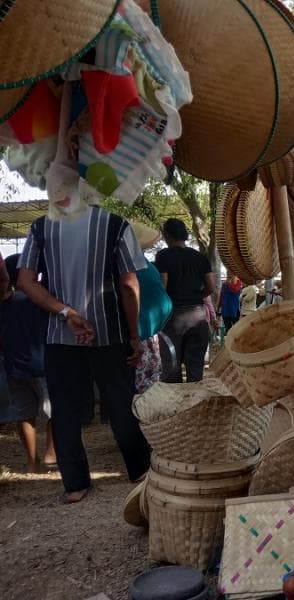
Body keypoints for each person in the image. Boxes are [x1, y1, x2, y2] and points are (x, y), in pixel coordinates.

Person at [17, 205, 151, 503]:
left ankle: (75, 485)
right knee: (120, 403)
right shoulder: (115, 225)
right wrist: (134, 336)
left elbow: (25, 281)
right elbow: (129, 285)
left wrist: (65, 312)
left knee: (65, 411)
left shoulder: (41, 227)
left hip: (60, 336)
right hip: (110, 335)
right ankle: (140, 469)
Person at [0, 254, 56, 473]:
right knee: (55, 412)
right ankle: (51, 454)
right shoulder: (39, 301)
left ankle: (32, 462)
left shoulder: (4, 305)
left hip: (15, 367)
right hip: (43, 365)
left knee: (24, 414)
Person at [155, 218, 215, 382]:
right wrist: (196, 297)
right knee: (195, 373)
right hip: (198, 316)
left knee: (172, 371)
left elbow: (163, 286)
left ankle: (175, 407)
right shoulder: (200, 257)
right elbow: (211, 286)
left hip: (174, 318)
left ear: (167, 235)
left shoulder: (163, 256)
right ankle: (195, 406)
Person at [130, 222, 173, 393]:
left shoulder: (136, 266)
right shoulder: (143, 264)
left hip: (142, 333)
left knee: (143, 381)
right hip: (143, 332)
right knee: (147, 382)